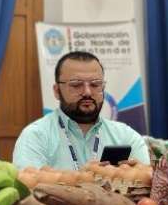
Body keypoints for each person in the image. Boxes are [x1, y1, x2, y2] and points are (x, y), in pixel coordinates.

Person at [13, 51, 150, 170]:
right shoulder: (36, 136)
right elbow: (29, 186)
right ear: (56, 91)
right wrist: (83, 179)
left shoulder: (125, 136)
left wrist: (137, 173)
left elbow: (147, 181)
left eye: (95, 84)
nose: (87, 92)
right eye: (76, 85)